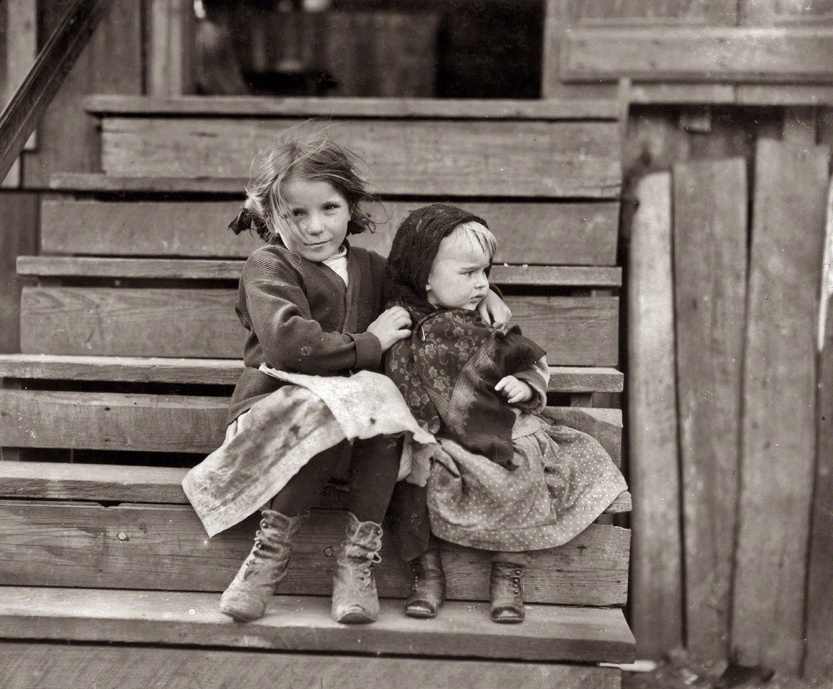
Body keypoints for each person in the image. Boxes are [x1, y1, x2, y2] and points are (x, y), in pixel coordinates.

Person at [181, 129, 515, 625]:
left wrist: (486, 295)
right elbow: (288, 345)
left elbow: (429, 285)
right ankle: (266, 560)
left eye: (329, 209)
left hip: (354, 431)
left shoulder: (371, 268)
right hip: (276, 418)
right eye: (297, 214)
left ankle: (356, 564)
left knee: (385, 418)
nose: (315, 227)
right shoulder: (269, 265)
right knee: (344, 406)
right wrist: (370, 343)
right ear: (271, 216)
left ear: (350, 207)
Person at [383, 203, 628, 624]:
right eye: (469, 273)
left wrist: (526, 384)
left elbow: (528, 360)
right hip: (432, 434)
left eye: (486, 272)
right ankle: (427, 573)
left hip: (496, 429)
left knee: (521, 469)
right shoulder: (399, 322)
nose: (482, 284)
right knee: (408, 478)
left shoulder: (484, 323)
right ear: (423, 276)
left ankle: (508, 573)